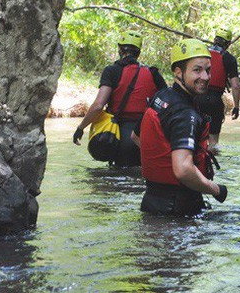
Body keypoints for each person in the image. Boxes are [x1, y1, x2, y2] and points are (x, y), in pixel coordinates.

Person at [132, 38, 228, 216]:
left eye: (208, 70)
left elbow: (136, 136)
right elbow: (183, 169)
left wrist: (168, 160)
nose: (205, 77)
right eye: (197, 70)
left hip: (151, 202)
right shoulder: (185, 114)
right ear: (178, 72)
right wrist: (216, 190)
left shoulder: (161, 97)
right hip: (178, 207)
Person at [73, 30, 166, 167]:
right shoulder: (153, 73)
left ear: (120, 49)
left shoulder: (112, 71)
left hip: (121, 137)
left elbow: (99, 105)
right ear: (139, 52)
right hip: (147, 136)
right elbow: (168, 103)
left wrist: (81, 128)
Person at [194, 28, 240, 151]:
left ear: (215, 40)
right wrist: (236, 106)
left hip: (197, 98)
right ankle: (213, 167)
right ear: (228, 44)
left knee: (195, 137)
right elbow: (235, 85)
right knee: (213, 142)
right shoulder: (229, 59)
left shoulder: (201, 54)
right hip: (215, 101)